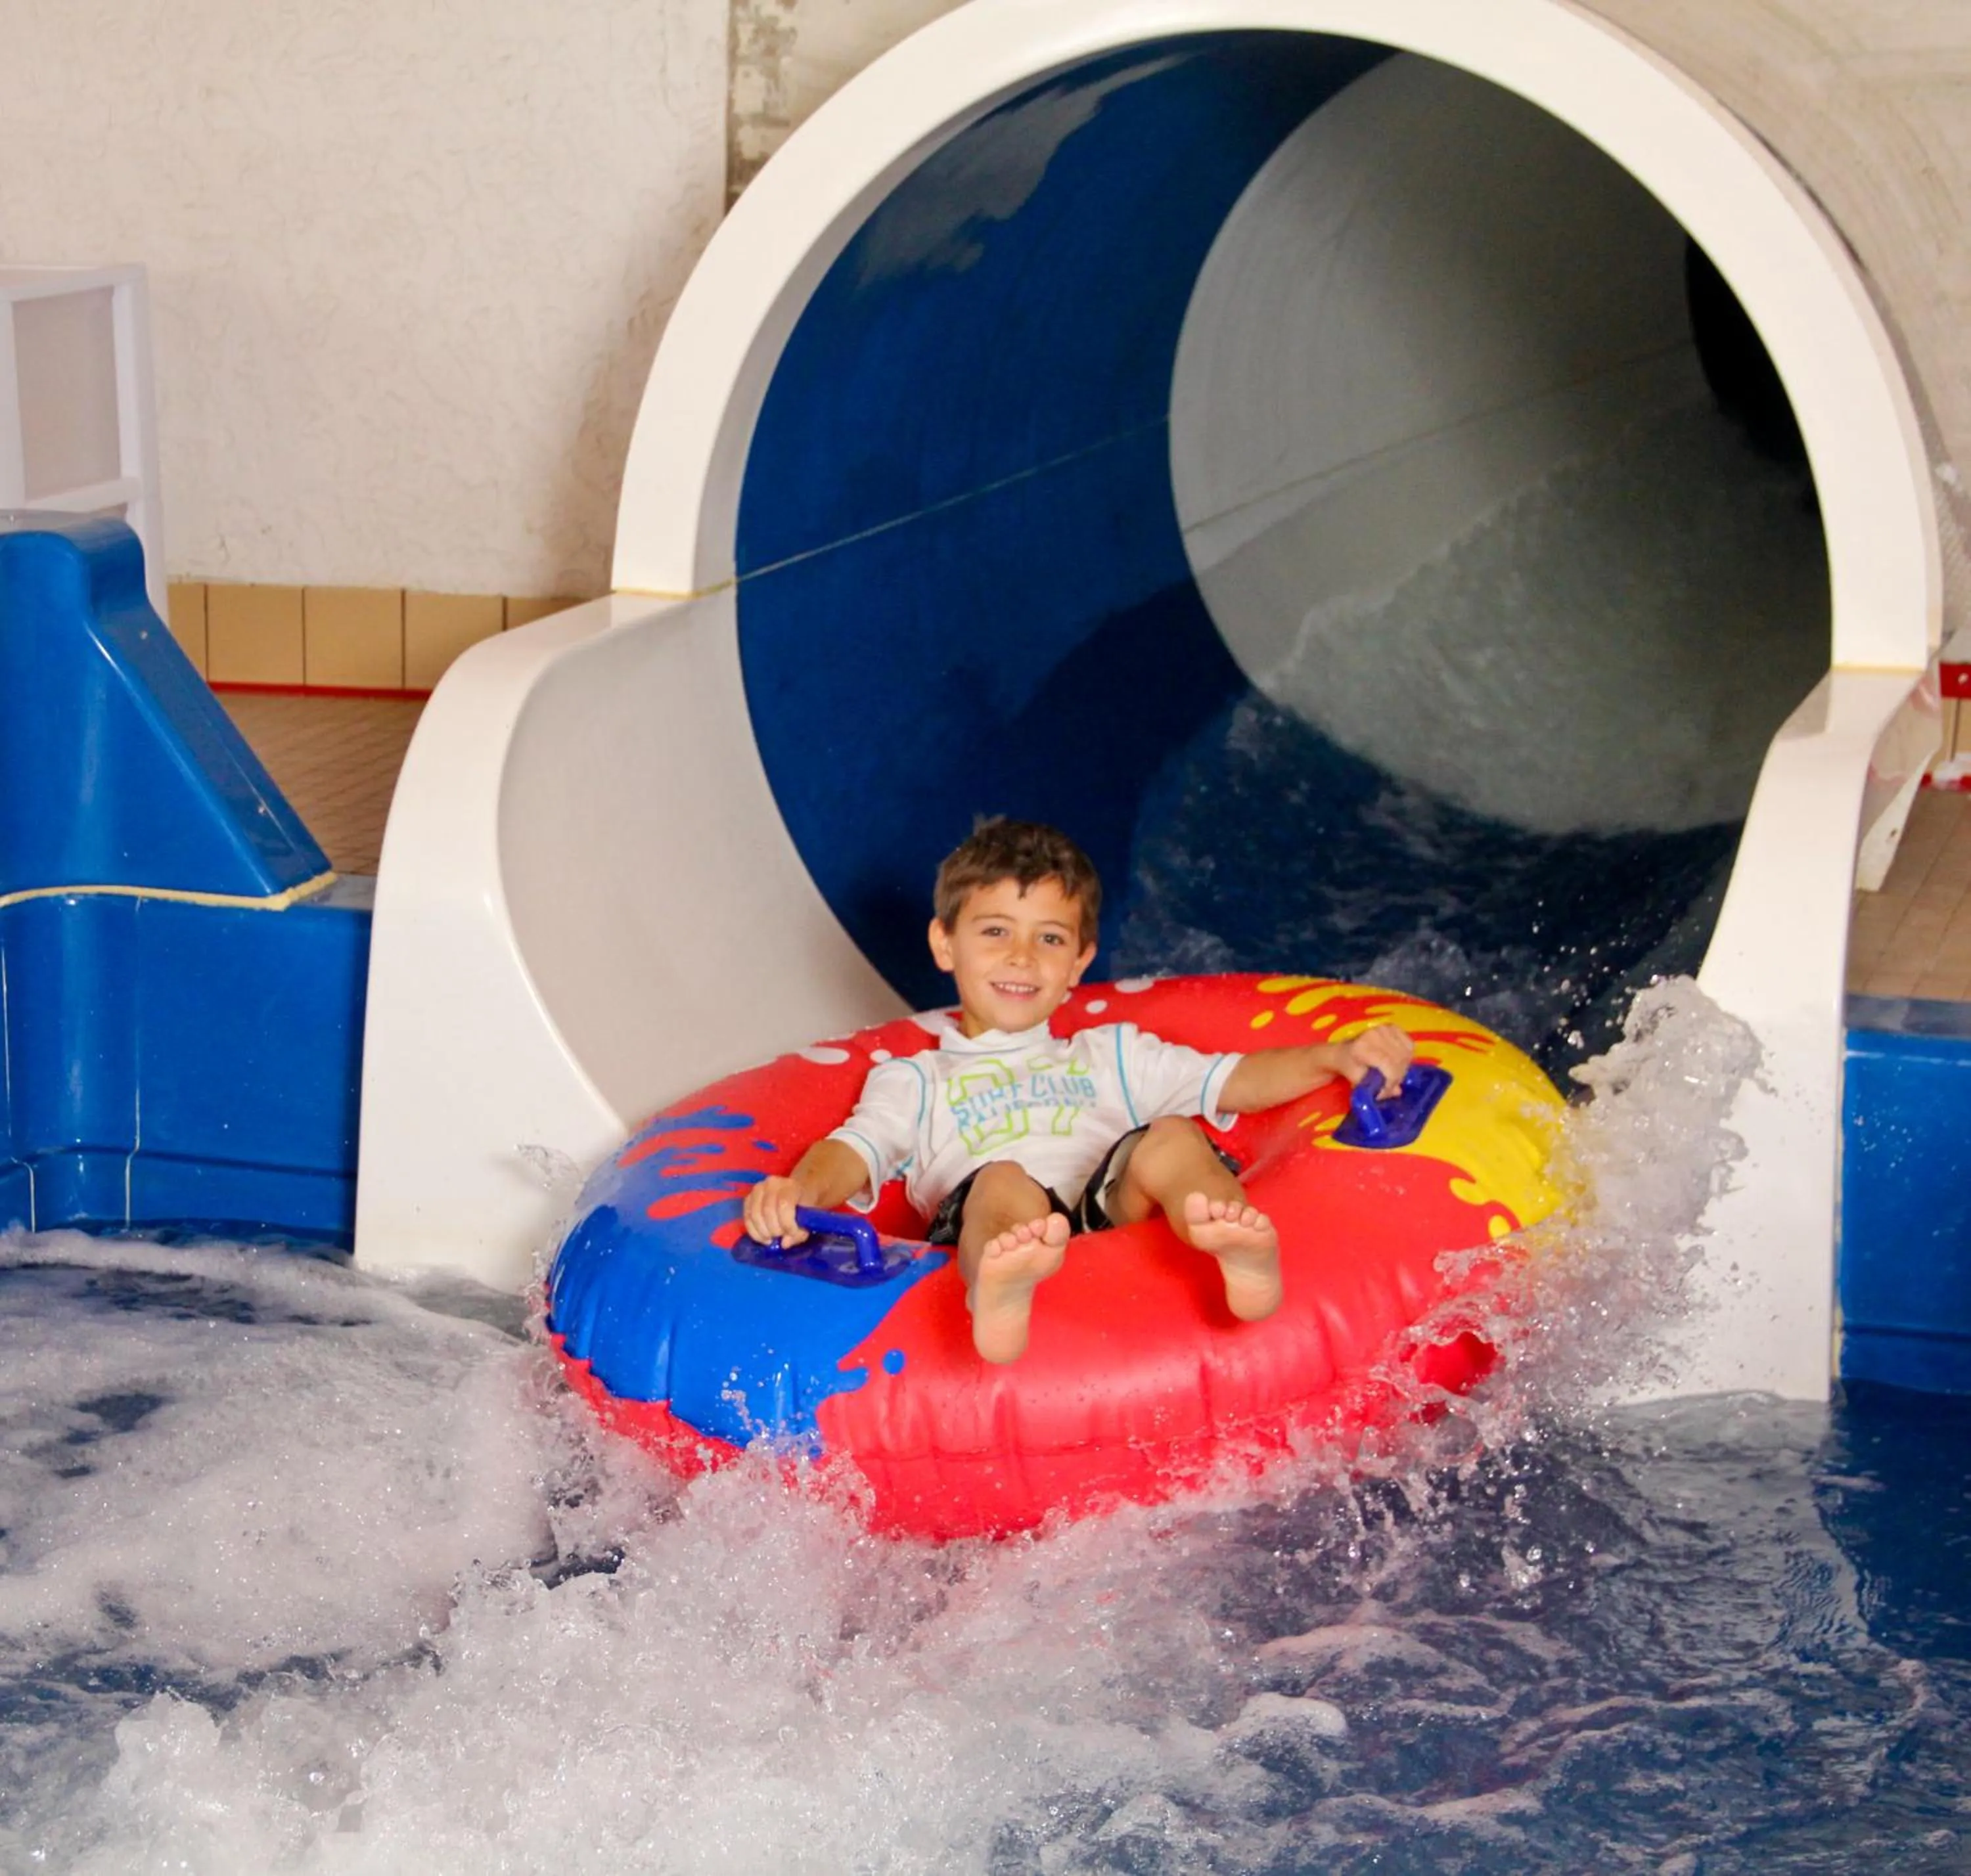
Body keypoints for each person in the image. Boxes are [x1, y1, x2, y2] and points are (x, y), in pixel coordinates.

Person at [740, 819, 1414, 1364]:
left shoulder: (1111, 1055)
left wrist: (1334, 1056)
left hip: (1108, 1215)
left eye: (1050, 938)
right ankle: (998, 1291)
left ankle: (1237, 1244)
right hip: (1003, 1223)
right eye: (995, 931)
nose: (1022, 957)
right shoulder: (915, 1080)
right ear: (945, 945)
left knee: (1174, 1137)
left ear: (1079, 964)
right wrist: (800, 1192)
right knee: (1002, 1179)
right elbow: (853, 1151)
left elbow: (1233, 1079)